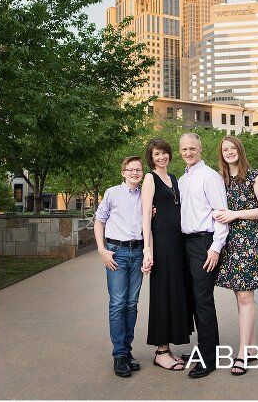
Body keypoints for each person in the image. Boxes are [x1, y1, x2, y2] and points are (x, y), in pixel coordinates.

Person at [214, 136, 258, 375]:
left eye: (233, 148)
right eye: (225, 149)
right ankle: (252, 347)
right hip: (229, 242)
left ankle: (241, 354)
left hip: (248, 242)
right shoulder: (220, 180)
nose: (229, 152)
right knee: (240, 297)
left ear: (240, 149)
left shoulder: (254, 175)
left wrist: (235, 214)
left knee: (246, 297)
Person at [178, 132, 229, 378]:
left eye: (192, 148)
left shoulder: (210, 177)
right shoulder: (182, 180)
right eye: (184, 149)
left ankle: (209, 358)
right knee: (194, 300)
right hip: (185, 243)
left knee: (203, 301)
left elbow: (221, 214)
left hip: (204, 243)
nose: (188, 153)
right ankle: (202, 348)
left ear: (200, 148)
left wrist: (215, 247)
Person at [140, 137, 194, 371]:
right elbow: (145, 216)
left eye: (164, 153)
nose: (161, 157)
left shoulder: (173, 178)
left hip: (178, 243)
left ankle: (168, 348)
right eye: (156, 154)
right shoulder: (150, 178)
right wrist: (147, 249)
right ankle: (161, 351)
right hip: (161, 243)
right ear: (150, 158)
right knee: (162, 293)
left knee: (175, 293)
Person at [94, 156, 145, 377]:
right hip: (117, 253)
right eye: (130, 169)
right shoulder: (112, 193)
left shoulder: (146, 194)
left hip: (139, 253)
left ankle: (127, 350)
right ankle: (119, 355)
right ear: (123, 172)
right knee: (117, 304)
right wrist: (102, 250)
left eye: (138, 170)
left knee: (131, 304)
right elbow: (99, 220)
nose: (135, 173)